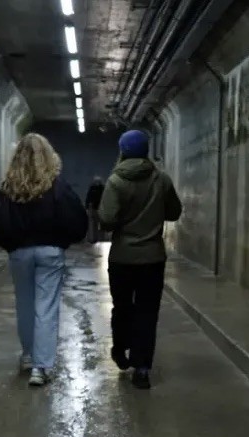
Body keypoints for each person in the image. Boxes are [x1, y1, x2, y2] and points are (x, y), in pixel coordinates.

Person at [0, 133, 88, 387]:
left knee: (25, 304)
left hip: (20, 253)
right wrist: (63, 241)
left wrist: (8, 243)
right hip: (50, 251)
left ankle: (28, 356)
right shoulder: (57, 187)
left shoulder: (9, 189)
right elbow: (77, 219)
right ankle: (41, 366)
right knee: (46, 307)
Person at [98, 130, 182, 389]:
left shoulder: (115, 181)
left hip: (122, 258)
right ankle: (142, 368)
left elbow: (107, 219)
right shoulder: (162, 180)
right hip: (152, 258)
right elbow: (174, 212)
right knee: (147, 312)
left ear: (122, 151)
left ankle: (120, 350)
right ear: (146, 151)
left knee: (122, 307)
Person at [84, 176, 105, 243]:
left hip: (95, 208)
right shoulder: (102, 188)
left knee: (94, 225)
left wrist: (87, 207)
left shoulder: (93, 188)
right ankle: (99, 238)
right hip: (98, 208)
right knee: (99, 225)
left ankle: (94, 239)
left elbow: (88, 199)